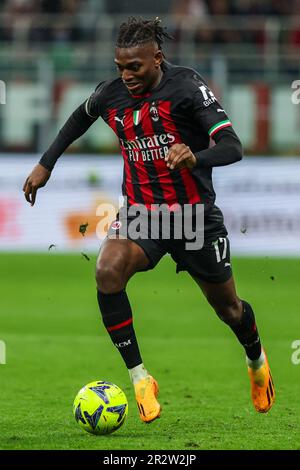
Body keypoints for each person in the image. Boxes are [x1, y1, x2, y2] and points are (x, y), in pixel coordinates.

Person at [23, 17, 275, 423]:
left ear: (157, 58)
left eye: (134, 67)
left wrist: (196, 156)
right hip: (142, 215)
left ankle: (256, 359)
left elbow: (232, 146)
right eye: (119, 67)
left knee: (229, 310)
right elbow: (78, 118)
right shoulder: (111, 94)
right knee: (107, 271)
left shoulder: (188, 87)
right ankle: (140, 378)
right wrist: (45, 164)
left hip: (194, 218)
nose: (125, 76)